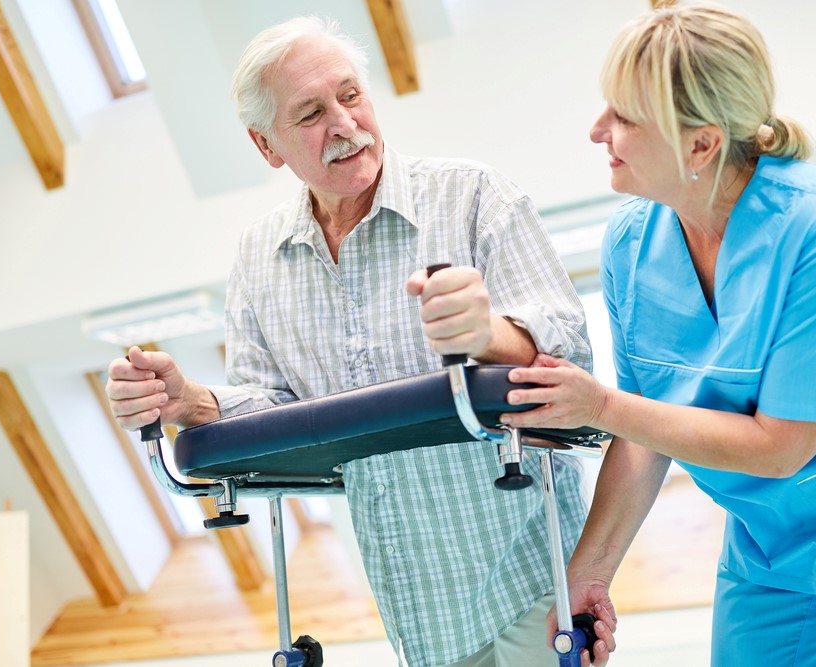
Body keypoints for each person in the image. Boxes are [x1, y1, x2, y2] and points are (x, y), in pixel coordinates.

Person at [105, 15, 615, 667]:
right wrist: (188, 403)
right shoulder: (260, 257)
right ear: (268, 146)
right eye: (312, 113)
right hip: (415, 613)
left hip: (532, 585)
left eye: (350, 95)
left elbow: (572, 354)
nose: (344, 125)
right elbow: (276, 415)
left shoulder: (471, 195)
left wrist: (490, 334)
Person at [500, 3, 816, 666]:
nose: (598, 130)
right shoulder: (631, 243)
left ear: (701, 144)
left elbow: (781, 446)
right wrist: (586, 575)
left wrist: (598, 404)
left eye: (625, 117)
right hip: (765, 538)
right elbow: (644, 435)